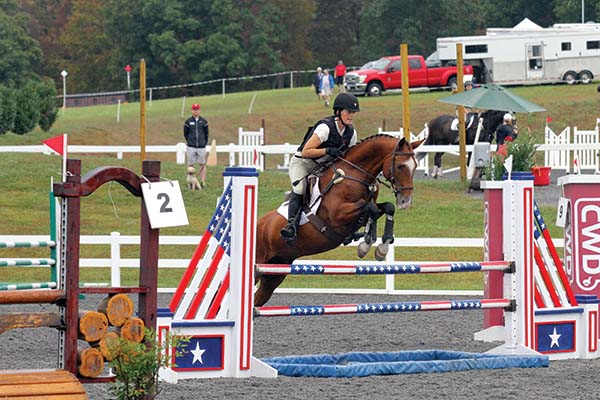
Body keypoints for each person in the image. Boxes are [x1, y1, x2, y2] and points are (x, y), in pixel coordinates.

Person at [280, 93, 360, 242]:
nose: (352, 115)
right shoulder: (325, 128)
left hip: (324, 167)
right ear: (338, 111)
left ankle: (349, 228)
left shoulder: (351, 133)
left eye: (353, 112)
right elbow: (306, 152)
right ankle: (291, 225)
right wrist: (327, 150)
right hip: (303, 163)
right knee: (301, 189)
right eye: (349, 111)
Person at [183, 103, 209, 189]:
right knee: (191, 164)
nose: (196, 111)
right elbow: (185, 133)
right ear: (192, 110)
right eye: (194, 109)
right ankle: (190, 182)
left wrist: (204, 142)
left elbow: (206, 133)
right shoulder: (188, 122)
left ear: (199, 110)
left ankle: (202, 181)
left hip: (201, 146)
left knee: (202, 164)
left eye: (197, 109)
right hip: (191, 146)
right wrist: (190, 141)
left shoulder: (204, 122)